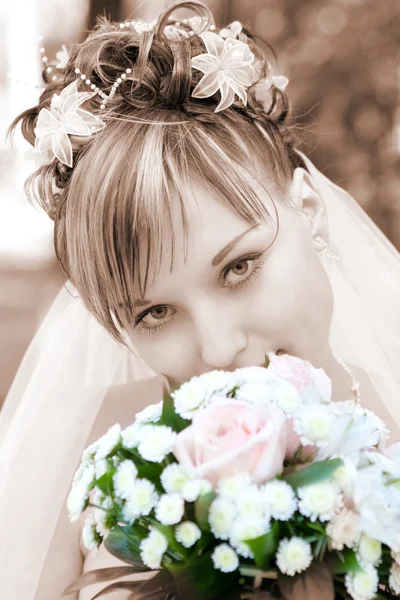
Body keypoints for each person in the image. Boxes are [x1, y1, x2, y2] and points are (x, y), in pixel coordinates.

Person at [1, 1, 400, 598]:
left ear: (309, 212)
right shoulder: (86, 506)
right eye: (154, 312)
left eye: (240, 267)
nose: (220, 349)